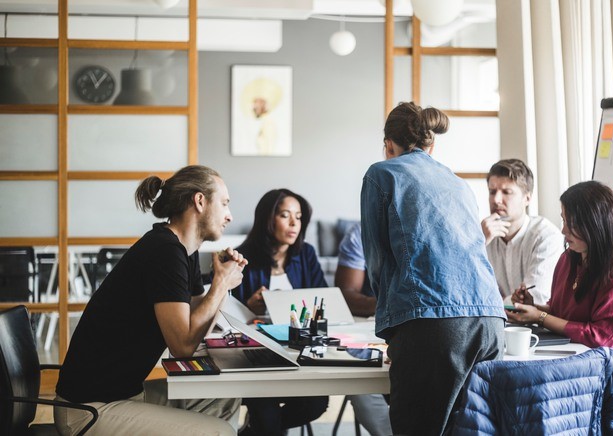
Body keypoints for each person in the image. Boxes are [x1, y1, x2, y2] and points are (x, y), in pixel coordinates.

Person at [55, 165, 248, 435]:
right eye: (225, 203)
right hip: (88, 409)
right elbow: (182, 346)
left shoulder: (184, 251)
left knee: (224, 394)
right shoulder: (164, 252)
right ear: (200, 201)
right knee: (219, 432)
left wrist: (222, 286)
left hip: (124, 395)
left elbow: (198, 323)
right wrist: (220, 285)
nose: (229, 215)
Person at [361, 102, 506, 435]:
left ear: (388, 144)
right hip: (490, 321)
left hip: (434, 326)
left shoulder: (382, 174)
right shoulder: (457, 182)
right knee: (471, 430)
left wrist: (393, 333)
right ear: (431, 144)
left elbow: (378, 264)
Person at [229, 188, 328, 436]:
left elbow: (322, 301)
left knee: (317, 403)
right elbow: (227, 313)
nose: (295, 223)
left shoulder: (306, 254)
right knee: (266, 412)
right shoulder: (243, 257)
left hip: (299, 354)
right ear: (267, 219)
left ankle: (252, 431)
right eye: (285, 215)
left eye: (299, 216)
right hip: (257, 357)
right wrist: (249, 307)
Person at [508, 180, 613, 350]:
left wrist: (539, 316)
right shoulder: (568, 258)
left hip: (602, 364)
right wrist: (533, 308)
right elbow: (561, 315)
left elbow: (602, 338)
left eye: (572, 224)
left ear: (596, 224)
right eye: (563, 221)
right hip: (570, 351)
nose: (563, 230)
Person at [334, 222, 392, 436]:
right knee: (361, 384)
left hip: (416, 334)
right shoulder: (360, 233)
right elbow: (346, 293)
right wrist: (390, 304)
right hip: (368, 330)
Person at [480, 159, 563, 305]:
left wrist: (492, 303)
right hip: (497, 324)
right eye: (492, 192)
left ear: (527, 198)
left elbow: (534, 298)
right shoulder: (482, 236)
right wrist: (478, 243)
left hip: (538, 325)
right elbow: (469, 292)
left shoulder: (546, 236)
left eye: (507, 192)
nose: (496, 199)